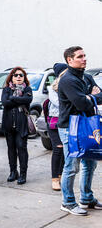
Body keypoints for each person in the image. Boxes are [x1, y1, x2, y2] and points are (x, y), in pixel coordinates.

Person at [58, 46, 102, 216]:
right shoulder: (68, 80)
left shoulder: (88, 77)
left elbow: (101, 96)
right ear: (69, 60)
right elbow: (81, 103)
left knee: (90, 164)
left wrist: (90, 97)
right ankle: (67, 202)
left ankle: (87, 198)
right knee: (71, 166)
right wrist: (92, 96)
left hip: (87, 125)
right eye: (80, 56)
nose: (84, 59)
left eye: (85, 55)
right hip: (70, 127)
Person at [1, 67, 33, 185]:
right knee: (11, 148)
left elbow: (28, 99)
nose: (18, 77)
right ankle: (13, 172)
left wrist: (13, 98)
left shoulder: (27, 89)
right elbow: (5, 102)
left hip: (22, 124)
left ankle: (23, 174)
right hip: (8, 123)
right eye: (16, 75)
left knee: (21, 148)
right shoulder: (6, 89)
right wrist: (20, 100)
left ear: (24, 77)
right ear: (11, 77)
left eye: (21, 75)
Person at [47, 63, 68, 191]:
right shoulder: (52, 88)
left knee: (65, 150)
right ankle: (55, 179)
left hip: (66, 121)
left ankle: (61, 176)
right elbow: (59, 104)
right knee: (58, 149)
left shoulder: (69, 85)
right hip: (55, 123)